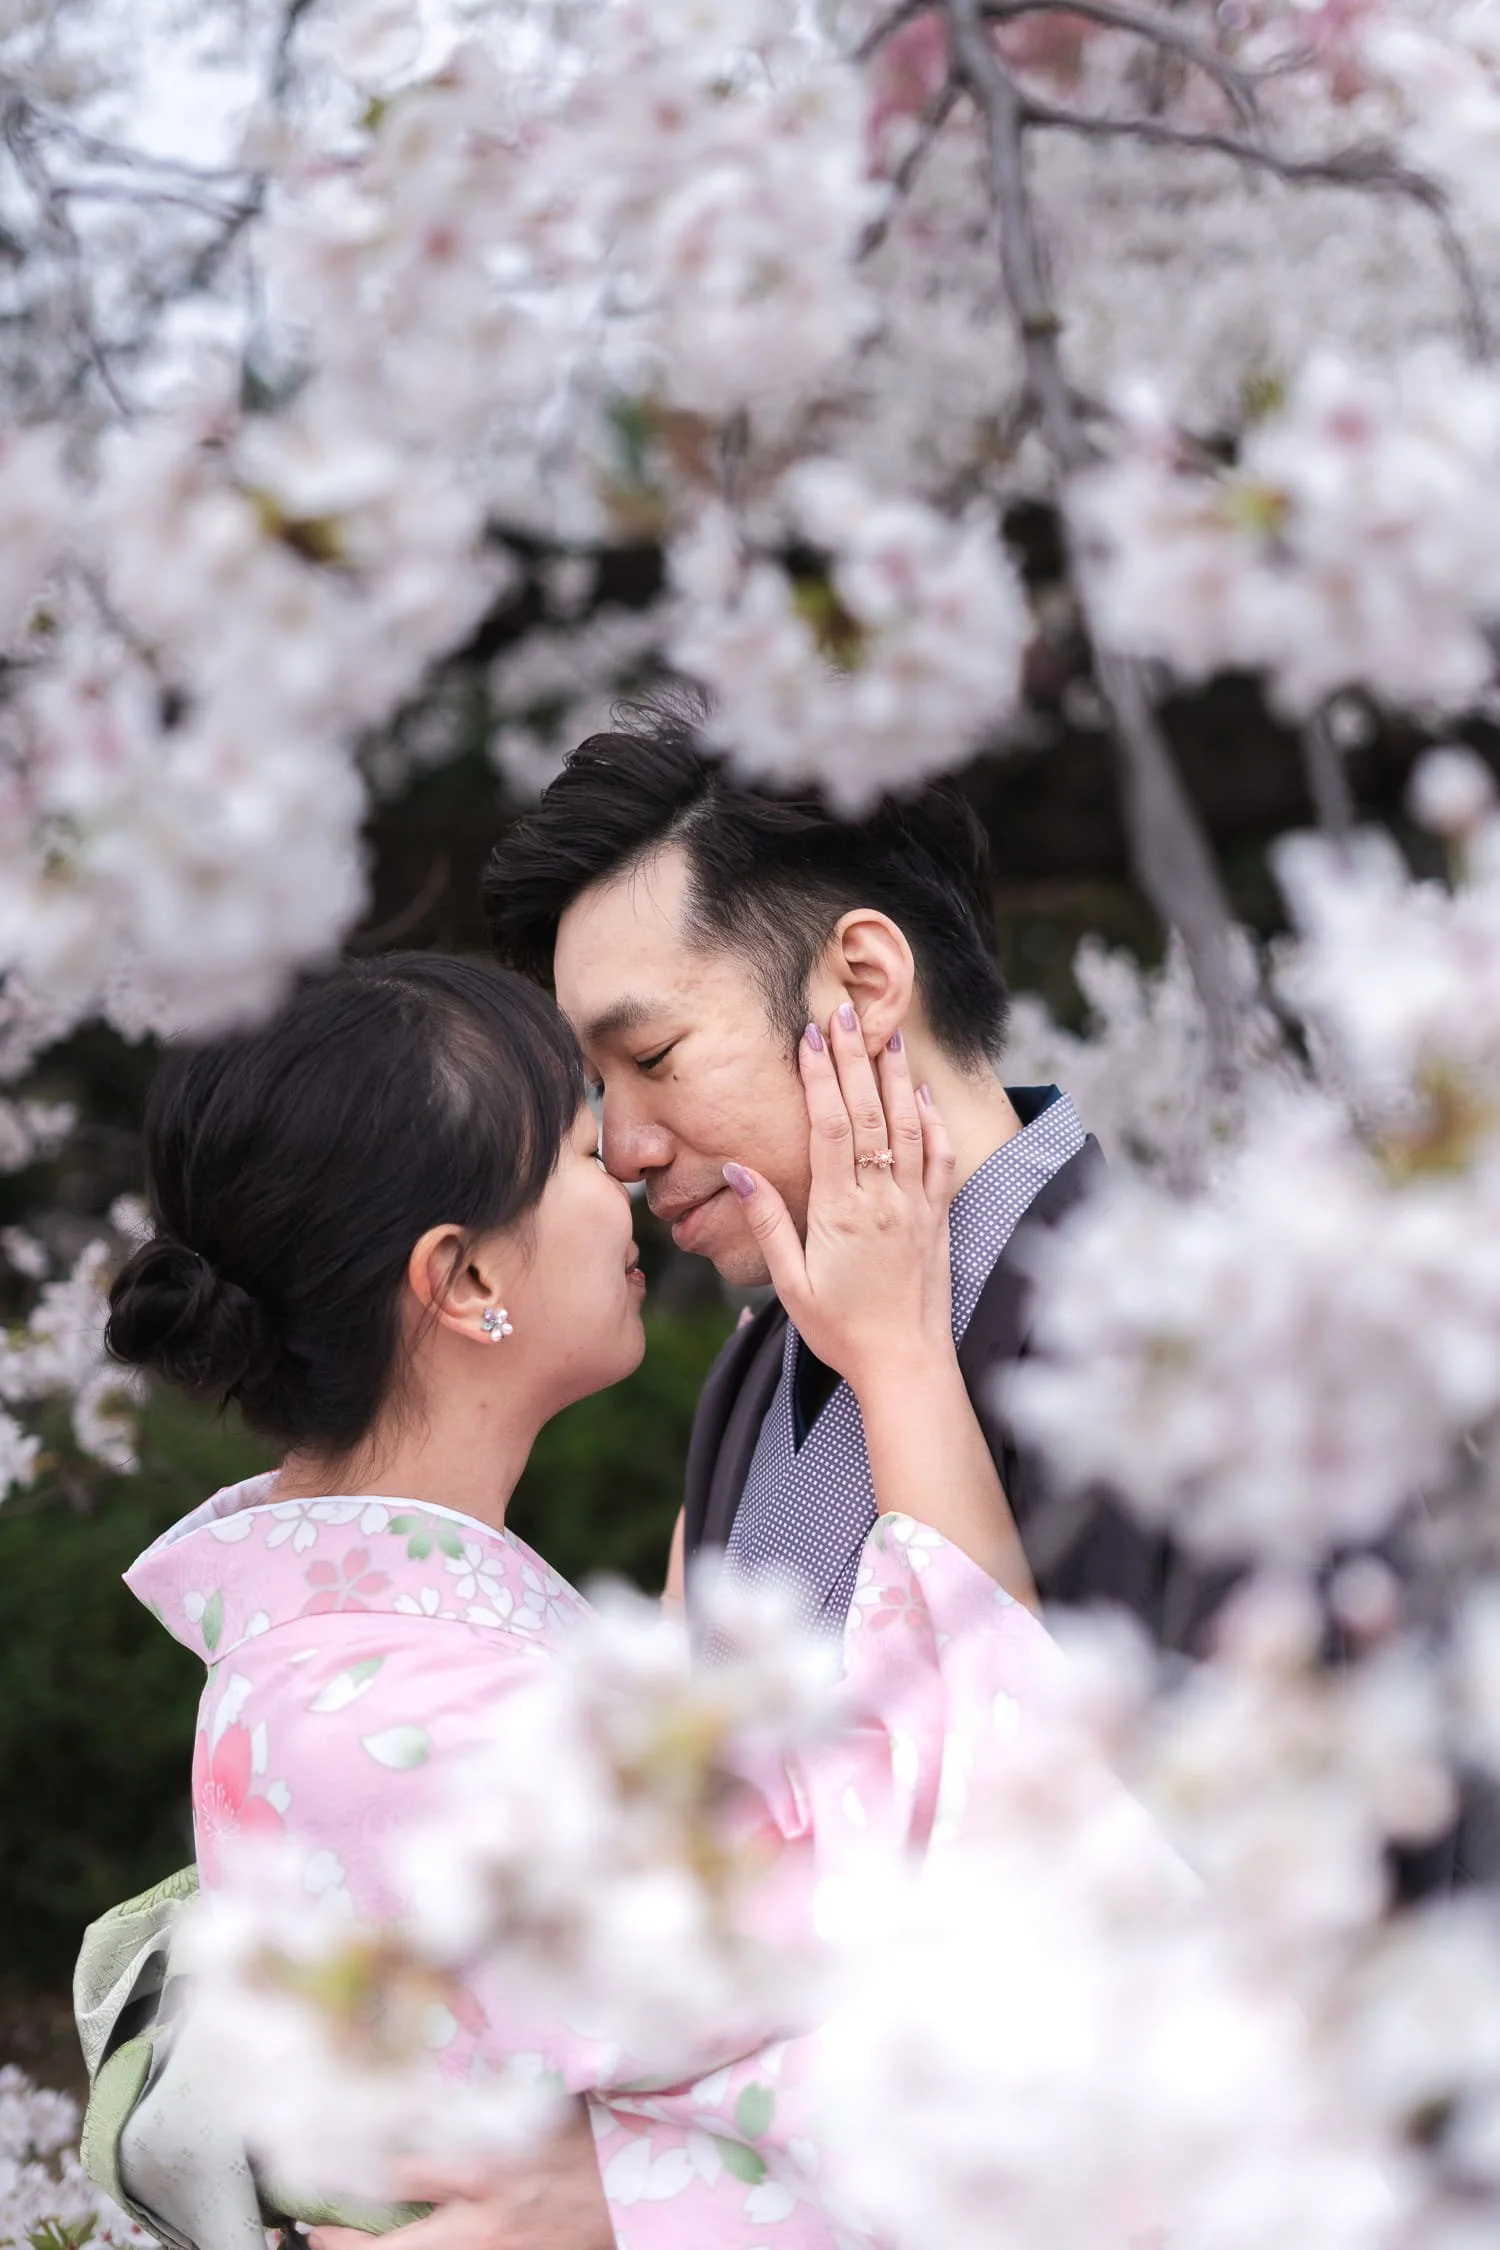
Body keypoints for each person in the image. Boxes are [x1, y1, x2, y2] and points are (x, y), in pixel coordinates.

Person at [94, 949, 1104, 2249]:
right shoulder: (398, 1719)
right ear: (463, 1280)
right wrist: (902, 1351)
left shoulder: (370, 1654)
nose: (628, 1160)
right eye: (579, 1144)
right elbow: (953, 1883)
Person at [482, 692, 1216, 1651]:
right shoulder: (756, 1371)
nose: (623, 1150)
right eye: (599, 1086)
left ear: (866, 985)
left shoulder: (1175, 1337)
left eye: (655, 1058)